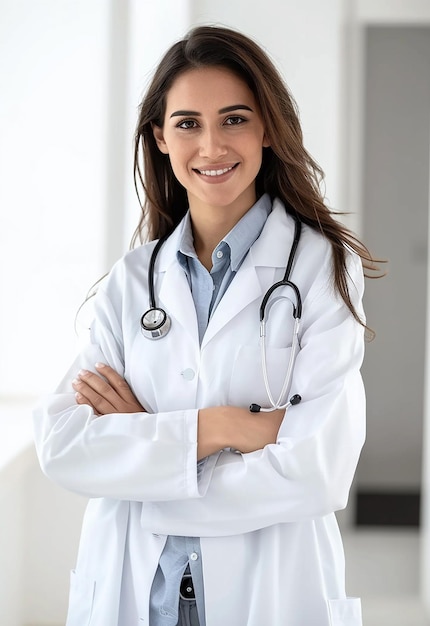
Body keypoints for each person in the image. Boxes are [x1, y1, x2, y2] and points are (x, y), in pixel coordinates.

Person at [33, 24, 379, 626]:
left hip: (267, 589)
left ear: (267, 128)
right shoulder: (132, 280)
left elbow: (316, 473)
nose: (212, 146)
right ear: (161, 138)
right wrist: (220, 428)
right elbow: (63, 445)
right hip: (138, 590)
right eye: (188, 123)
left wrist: (148, 450)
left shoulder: (322, 268)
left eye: (235, 119)